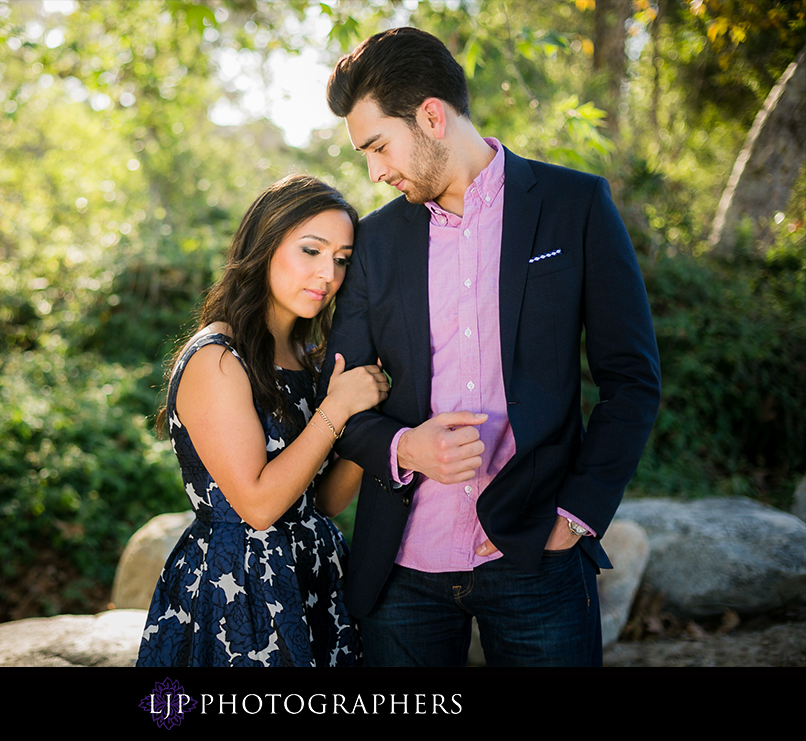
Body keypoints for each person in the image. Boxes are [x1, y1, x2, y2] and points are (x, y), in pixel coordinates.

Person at [319, 27, 661, 666]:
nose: (374, 170)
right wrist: (403, 447)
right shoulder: (374, 241)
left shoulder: (575, 205)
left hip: (538, 556)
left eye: (378, 145)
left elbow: (631, 379)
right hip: (401, 569)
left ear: (430, 116)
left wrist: (575, 519)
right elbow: (340, 403)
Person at [136, 174, 389, 667]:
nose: (328, 275)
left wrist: (365, 414)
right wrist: (336, 410)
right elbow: (258, 506)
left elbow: (325, 501)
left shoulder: (307, 356)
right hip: (242, 593)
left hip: (316, 580)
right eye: (311, 251)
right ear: (265, 244)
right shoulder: (217, 356)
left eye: (341, 259)